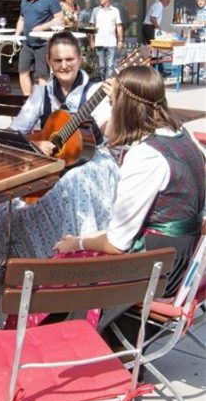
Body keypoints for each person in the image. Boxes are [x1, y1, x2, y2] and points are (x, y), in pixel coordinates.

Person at [54, 65, 205, 336]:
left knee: (61, 267)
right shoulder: (182, 135)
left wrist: (77, 243)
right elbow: (115, 135)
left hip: (156, 270)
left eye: (115, 104)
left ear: (125, 108)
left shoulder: (146, 157)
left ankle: (74, 341)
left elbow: (117, 243)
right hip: (181, 255)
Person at [0, 31, 118, 269]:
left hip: (90, 162)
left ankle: (75, 265)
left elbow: (107, 131)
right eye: (58, 60)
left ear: (80, 58)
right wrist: (34, 144)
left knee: (74, 184)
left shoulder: (94, 91)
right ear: (48, 61)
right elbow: (15, 131)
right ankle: (20, 265)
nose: (64, 65)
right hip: (52, 163)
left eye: (69, 59)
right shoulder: (42, 93)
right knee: (5, 204)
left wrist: (117, 105)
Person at [15, 0, 64, 96]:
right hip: (27, 43)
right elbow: (22, 19)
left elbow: (60, 19)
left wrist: (42, 28)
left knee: (42, 75)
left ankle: (42, 101)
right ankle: (28, 100)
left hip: (43, 44)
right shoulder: (24, 0)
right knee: (23, 71)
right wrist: (17, 34)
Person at [89, 0, 124, 80]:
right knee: (102, 66)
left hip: (111, 43)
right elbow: (91, 26)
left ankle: (108, 83)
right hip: (99, 42)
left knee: (110, 66)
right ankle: (102, 82)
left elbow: (119, 26)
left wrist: (120, 40)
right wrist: (91, 40)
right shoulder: (95, 10)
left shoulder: (115, 11)